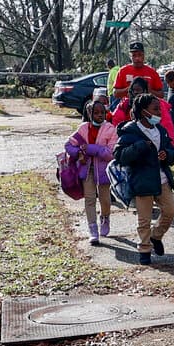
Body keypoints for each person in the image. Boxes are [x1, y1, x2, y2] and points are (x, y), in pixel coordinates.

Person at [112, 93, 174, 265]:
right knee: (144, 220)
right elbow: (119, 155)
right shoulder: (130, 131)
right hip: (141, 181)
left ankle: (156, 236)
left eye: (160, 109)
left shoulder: (161, 131)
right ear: (144, 112)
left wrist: (168, 155)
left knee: (170, 210)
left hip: (162, 179)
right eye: (155, 109)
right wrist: (140, 146)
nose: (159, 112)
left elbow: (173, 153)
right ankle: (144, 250)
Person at [65, 100, 119, 245]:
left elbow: (110, 153)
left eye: (102, 112)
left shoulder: (110, 129)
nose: (100, 115)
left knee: (105, 199)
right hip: (86, 169)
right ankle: (92, 229)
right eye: (96, 113)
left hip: (104, 171)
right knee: (89, 199)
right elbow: (69, 145)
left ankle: (105, 217)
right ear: (89, 114)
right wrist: (79, 153)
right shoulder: (83, 129)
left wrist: (90, 149)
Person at [112, 77, 174, 144]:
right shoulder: (123, 106)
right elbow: (116, 135)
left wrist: (167, 151)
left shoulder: (157, 104)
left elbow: (168, 132)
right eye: (134, 90)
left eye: (138, 90)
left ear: (145, 90)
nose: (136, 92)